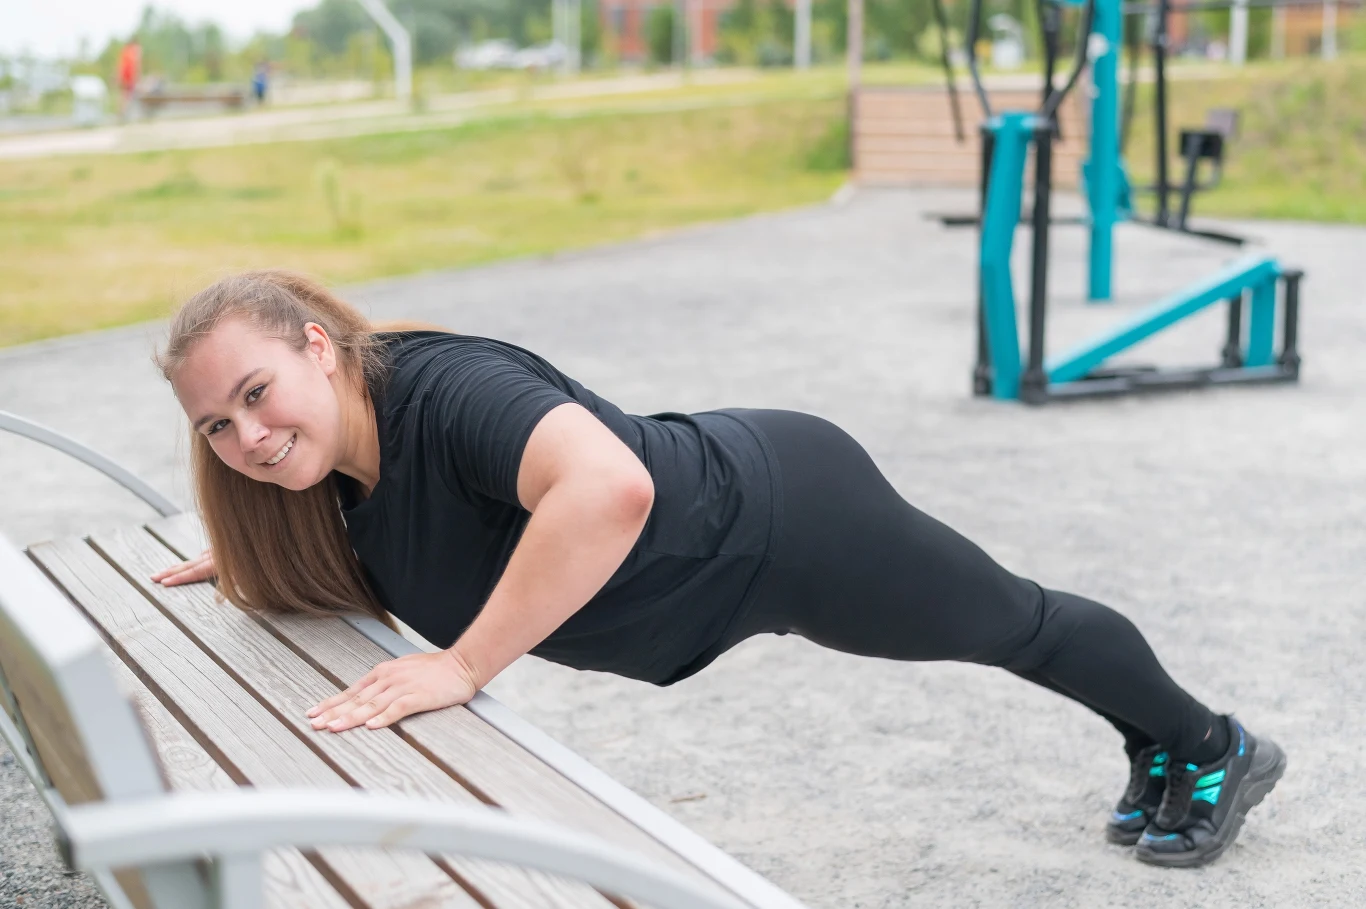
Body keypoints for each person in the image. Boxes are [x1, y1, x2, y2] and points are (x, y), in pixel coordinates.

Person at [151, 270, 1285, 869]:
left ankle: (1206, 743)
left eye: (257, 395)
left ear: (316, 346)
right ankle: (1156, 739)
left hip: (781, 518)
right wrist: (258, 555)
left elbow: (610, 491)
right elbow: (381, 531)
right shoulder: (332, 488)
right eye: (217, 428)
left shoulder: (445, 394)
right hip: (718, 555)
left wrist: (463, 665)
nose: (246, 439)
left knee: (1011, 627)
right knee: (1005, 628)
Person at [117, 39, 141, 121]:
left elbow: (121, 66)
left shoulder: (126, 52)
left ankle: (123, 113)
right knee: (127, 96)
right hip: (128, 78)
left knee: (125, 96)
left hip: (127, 77)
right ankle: (124, 113)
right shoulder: (131, 53)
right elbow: (133, 68)